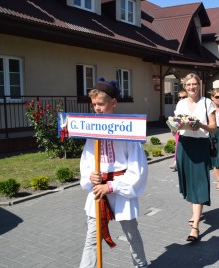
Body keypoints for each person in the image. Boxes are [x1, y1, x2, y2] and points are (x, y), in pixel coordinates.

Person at [79, 80, 148, 268]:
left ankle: (141, 265)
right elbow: (86, 161)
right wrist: (89, 176)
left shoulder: (128, 129)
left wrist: (111, 186)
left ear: (113, 103)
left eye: (100, 104)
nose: (97, 109)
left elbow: (138, 167)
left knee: (132, 235)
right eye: (94, 105)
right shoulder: (91, 130)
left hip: (120, 188)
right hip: (98, 191)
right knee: (92, 239)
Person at [173, 73, 216, 242]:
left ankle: (195, 227)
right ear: (185, 86)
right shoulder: (181, 103)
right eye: (188, 84)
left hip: (200, 146)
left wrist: (200, 125)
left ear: (199, 85)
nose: (192, 87)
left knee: (199, 182)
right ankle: (195, 213)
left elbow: (213, 128)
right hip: (184, 145)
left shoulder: (207, 103)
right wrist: (173, 127)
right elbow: (175, 126)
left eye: (194, 84)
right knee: (189, 182)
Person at [169, 90, 188, 172]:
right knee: (177, 145)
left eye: (183, 97)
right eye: (180, 97)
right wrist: (172, 128)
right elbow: (176, 117)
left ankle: (182, 162)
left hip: (187, 129)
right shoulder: (179, 105)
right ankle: (176, 161)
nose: (181, 99)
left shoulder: (189, 105)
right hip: (178, 128)